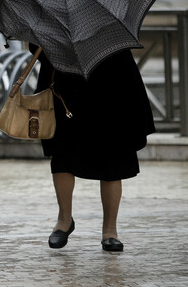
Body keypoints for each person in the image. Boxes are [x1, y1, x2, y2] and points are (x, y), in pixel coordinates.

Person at [29, 44, 155, 252]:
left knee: (113, 157)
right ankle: (64, 220)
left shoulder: (106, 17)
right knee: (63, 154)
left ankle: (110, 231)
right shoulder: (50, 15)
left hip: (111, 81)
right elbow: (37, 50)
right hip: (64, 85)